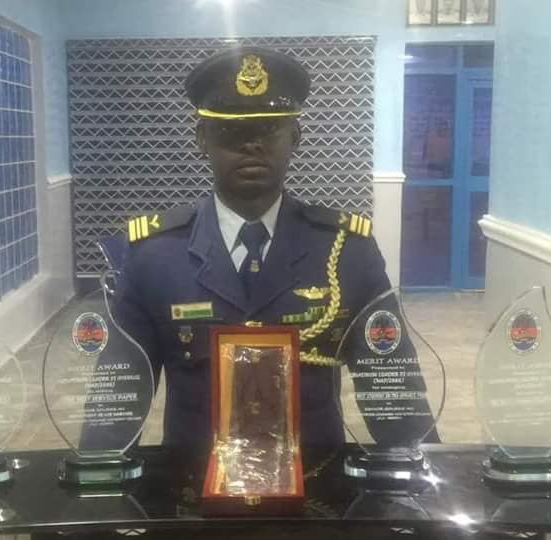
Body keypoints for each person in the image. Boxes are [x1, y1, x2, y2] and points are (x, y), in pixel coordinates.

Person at [97, 46, 437, 449]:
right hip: (194, 479)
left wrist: (426, 473)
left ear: (295, 138)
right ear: (202, 139)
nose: (251, 145)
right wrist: (100, 476)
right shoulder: (154, 256)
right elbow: (116, 403)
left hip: (317, 478)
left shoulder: (347, 252)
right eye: (232, 132)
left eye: (268, 129)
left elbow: (395, 396)